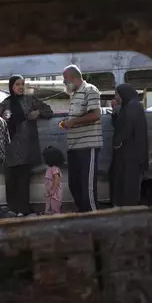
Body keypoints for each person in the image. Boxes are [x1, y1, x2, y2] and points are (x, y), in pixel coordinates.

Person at [0, 75, 53, 216]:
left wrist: (38, 112)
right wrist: (3, 118)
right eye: (17, 84)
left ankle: (23, 210)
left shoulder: (31, 100)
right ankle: (12, 210)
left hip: (26, 147)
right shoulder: (5, 103)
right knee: (11, 181)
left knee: (23, 180)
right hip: (9, 148)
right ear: (12, 87)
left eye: (22, 84)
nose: (21, 87)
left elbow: (49, 111)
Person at [59, 65, 103, 212]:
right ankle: (84, 217)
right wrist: (68, 122)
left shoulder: (90, 90)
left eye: (65, 79)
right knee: (74, 185)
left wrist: (73, 122)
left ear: (72, 77)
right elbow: (77, 117)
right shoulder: (74, 94)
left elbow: (95, 115)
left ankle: (94, 219)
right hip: (74, 147)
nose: (64, 83)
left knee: (87, 188)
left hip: (87, 146)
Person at [110, 83, 149, 207]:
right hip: (125, 153)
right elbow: (119, 125)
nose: (116, 97)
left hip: (131, 153)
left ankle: (128, 209)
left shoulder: (134, 107)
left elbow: (128, 127)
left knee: (128, 183)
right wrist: (115, 112)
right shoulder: (128, 107)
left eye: (117, 94)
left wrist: (118, 142)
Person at [42, 146, 64, 215]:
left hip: (54, 192)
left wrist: (53, 190)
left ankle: (56, 216)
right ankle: (49, 214)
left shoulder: (54, 168)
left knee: (55, 205)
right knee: (49, 204)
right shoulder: (50, 168)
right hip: (50, 192)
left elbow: (56, 179)